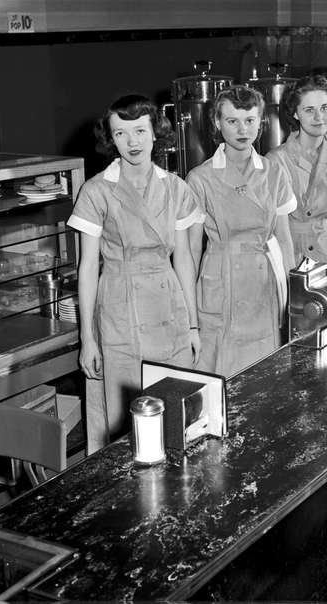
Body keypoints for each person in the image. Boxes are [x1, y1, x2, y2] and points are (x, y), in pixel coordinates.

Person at [68, 94, 204, 453]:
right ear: (110, 140)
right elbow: (87, 268)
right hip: (118, 310)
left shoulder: (175, 188)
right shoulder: (96, 191)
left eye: (140, 131)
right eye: (122, 134)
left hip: (168, 307)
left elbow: (185, 261)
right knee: (123, 421)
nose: (133, 143)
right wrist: (88, 338)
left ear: (155, 133)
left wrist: (192, 325)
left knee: (173, 413)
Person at [187, 85, 296, 378]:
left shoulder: (274, 172)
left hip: (263, 283)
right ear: (217, 123)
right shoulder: (200, 178)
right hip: (219, 283)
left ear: (260, 122)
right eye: (232, 121)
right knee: (220, 376)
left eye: (249, 120)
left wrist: (295, 296)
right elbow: (192, 250)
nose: (242, 129)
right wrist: (188, 315)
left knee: (264, 375)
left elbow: (284, 239)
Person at [267, 75, 327, 299]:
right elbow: (275, 230)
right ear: (295, 113)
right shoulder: (276, 161)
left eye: (324, 108)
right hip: (297, 257)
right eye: (309, 110)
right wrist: (290, 282)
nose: (319, 117)